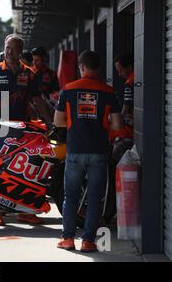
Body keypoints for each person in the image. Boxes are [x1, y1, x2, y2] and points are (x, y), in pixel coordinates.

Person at [0, 34, 44, 226]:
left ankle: (25, 212)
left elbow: (38, 100)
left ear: (20, 51)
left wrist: (51, 122)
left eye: (13, 48)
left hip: (22, 128)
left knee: (24, 169)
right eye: (7, 47)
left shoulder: (29, 73)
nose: (9, 51)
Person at [54, 50, 121, 252]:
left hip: (75, 150)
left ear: (81, 67)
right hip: (99, 151)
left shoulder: (68, 89)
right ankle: (88, 241)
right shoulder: (109, 92)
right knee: (94, 198)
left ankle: (67, 239)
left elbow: (58, 121)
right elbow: (117, 125)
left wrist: (78, 122)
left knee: (71, 196)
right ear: (98, 68)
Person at [30, 47, 60, 123]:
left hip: (49, 105)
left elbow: (56, 91)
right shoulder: (29, 73)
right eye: (33, 60)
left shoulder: (51, 74)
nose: (34, 63)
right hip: (32, 106)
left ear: (44, 59)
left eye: (37, 60)